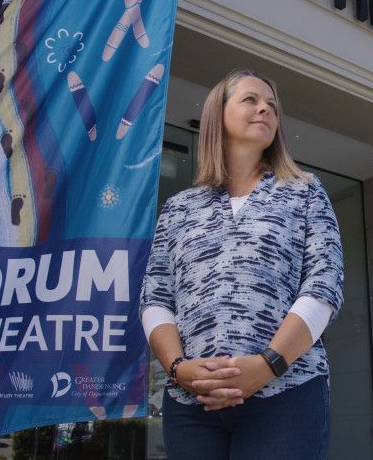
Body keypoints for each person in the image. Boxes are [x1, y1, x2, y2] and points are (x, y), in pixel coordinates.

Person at [139, 68, 344, 459]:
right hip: (191, 403)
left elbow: (324, 284)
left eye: (272, 106)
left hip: (287, 393)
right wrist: (179, 368)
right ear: (219, 112)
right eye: (251, 99)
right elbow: (155, 297)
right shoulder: (180, 208)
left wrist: (268, 365)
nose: (265, 109)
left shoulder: (304, 191)